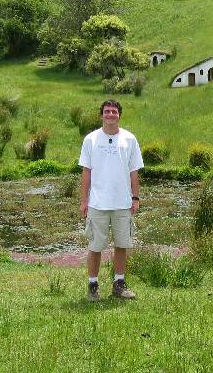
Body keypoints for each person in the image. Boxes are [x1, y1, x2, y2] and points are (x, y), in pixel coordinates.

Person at [79, 99, 143, 301]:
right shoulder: (91, 139)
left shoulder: (129, 139)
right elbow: (86, 172)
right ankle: (93, 286)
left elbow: (134, 172)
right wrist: (84, 201)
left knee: (122, 245)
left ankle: (119, 284)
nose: (110, 115)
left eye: (114, 112)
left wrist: (135, 198)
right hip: (97, 203)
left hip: (122, 203)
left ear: (119, 115)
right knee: (95, 246)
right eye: (107, 111)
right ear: (102, 115)